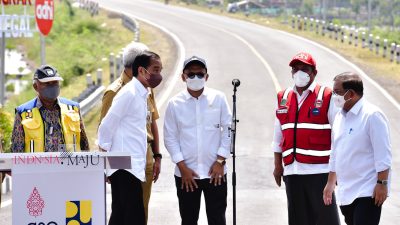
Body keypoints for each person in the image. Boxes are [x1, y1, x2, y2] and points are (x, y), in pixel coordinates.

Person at [271, 52, 340, 225]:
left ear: (313, 73)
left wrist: (334, 174)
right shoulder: (283, 97)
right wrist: (277, 165)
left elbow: (338, 136)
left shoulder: (326, 95)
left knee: (326, 220)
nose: (299, 73)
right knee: (298, 220)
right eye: (295, 69)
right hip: (293, 172)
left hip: (320, 172)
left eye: (304, 69)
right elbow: (278, 134)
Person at [164, 56, 232, 225]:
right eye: (191, 74)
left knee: (217, 220)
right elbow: (170, 137)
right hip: (186, 174)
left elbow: (229, 130)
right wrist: (182, 167)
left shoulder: (219, 98)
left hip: (215, 173)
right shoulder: (174, 104)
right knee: (188, 220)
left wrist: (220, 160)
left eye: (200, 74)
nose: (195, 78)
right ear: (183, 77)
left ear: (206, 77)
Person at [99, 42, 161, 224]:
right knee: (132, 216)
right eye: (155, 69)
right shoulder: (128, 93)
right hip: (124, 165)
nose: (158, 74)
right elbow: (106, 126)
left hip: (136, 163)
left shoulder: (142, 92)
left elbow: (147, 125)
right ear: (141, 70)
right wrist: (106, 162)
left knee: (122, 215)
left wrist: (156, 155)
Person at [323, 72, 392, 225]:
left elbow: (383, 154)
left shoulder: (372, 115)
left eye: (337, 92)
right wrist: (330, 182)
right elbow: (335, 152)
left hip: (368, 191)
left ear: (351, 94)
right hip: (347, 191)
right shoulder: (339, 117)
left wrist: (382, 184)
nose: (334, 95)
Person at [11, 65, 89, 153]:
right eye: (47, 83)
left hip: (69, 164)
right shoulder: (23, 113)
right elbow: (16, 150)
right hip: (37, 165)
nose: (52, 86)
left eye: (55, 83)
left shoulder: (72, 108)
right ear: (35, 86)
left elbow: (84, 144)